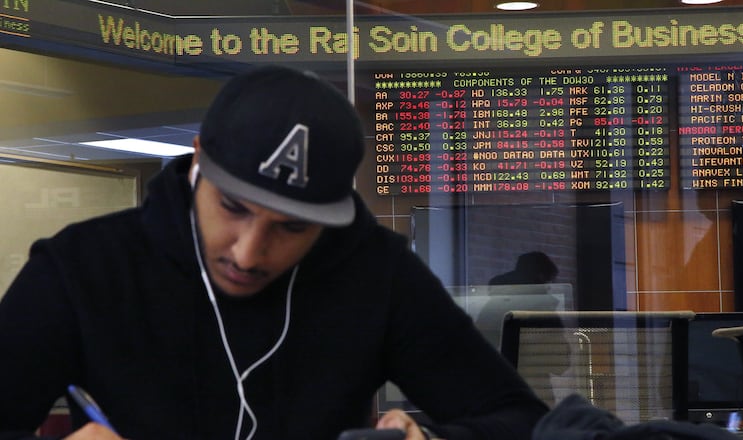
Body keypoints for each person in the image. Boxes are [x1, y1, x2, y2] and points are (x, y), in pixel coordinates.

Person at [0, 65, 548, 440]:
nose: (248, 252)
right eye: (233, 208)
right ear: (198, 162)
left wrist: (431, 437)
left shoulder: (377, 273)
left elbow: (519, 420)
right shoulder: (82, 267)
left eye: (291, 227)